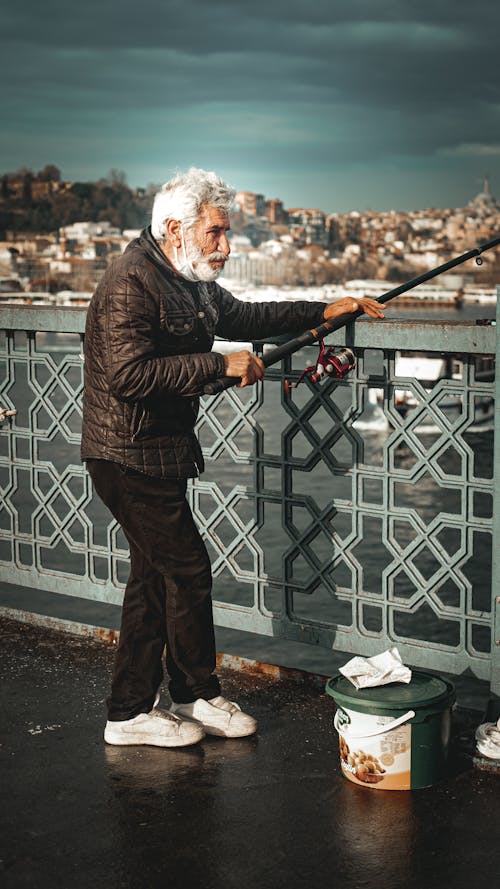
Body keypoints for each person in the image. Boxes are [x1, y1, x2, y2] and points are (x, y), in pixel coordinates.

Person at [81, 167, 385, 748]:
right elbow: (126, 375)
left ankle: (129, 713)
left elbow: (245, 318)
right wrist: (220, 365)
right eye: (216, 233)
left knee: (154, 578)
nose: (226, 246)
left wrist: (323, 311)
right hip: (126, 452)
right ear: (175, 229)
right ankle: (197, 695)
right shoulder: (131, 282)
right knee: (187, 569)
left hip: (156, 450)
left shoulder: (186, 279)